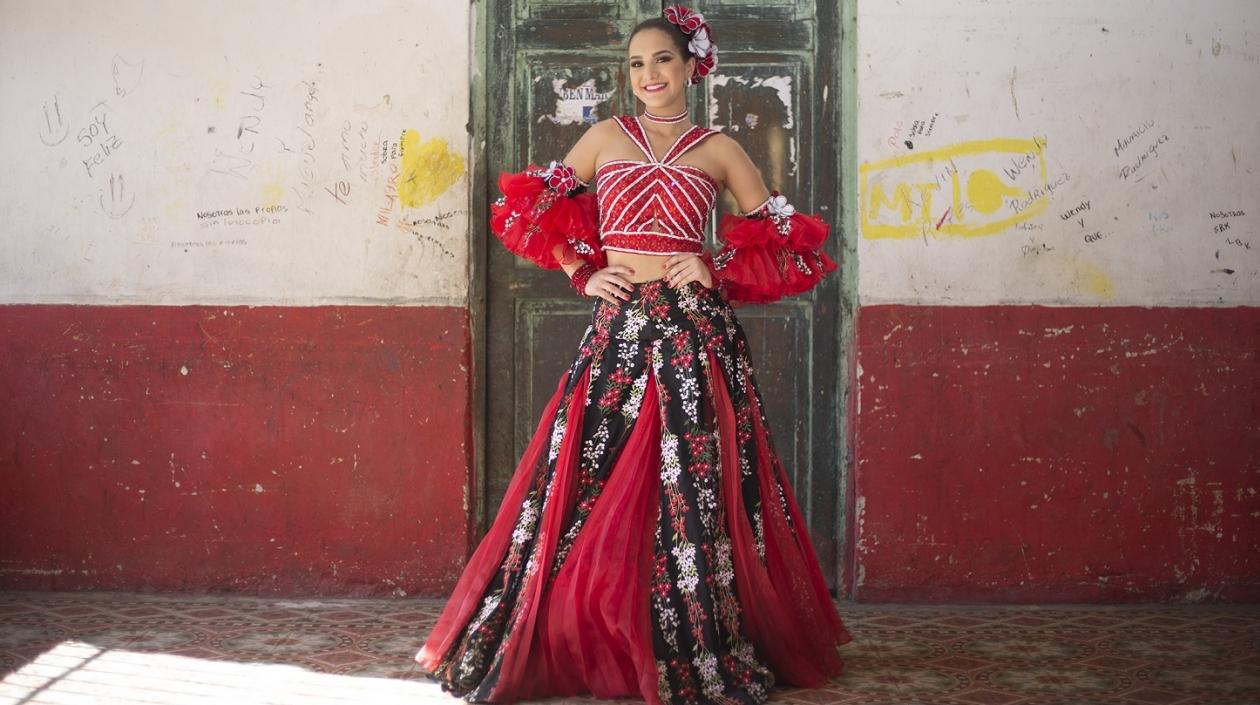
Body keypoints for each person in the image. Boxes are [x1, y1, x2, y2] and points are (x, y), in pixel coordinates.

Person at [416, 5, 852, 704]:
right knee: (588, 479)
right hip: (619, 329)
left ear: (691, 67)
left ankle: (686, 644)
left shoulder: (720, 148)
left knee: (689, 487)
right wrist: (584, 272)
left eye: (663, 60)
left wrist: (714, 268)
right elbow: (530, 215)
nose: (649, 75)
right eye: (637, 64)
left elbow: (785, 241)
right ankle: (581, 632)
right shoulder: (603, 138)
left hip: (693, 334)